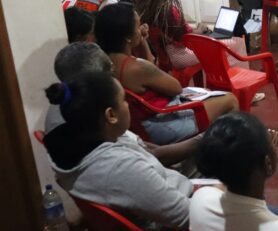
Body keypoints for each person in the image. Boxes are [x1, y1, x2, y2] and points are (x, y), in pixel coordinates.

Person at [45, 70, 192, 231]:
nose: (128, 104)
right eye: (124, 100)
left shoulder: (83, 140)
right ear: (111, 115)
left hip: (175, 194)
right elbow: (188, 217)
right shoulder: (122, 167)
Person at [43, 42, 203, 184]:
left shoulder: (63, 111)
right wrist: (201, 141)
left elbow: (146, 151)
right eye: (111, 74)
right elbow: (152, 160)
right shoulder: (95, 126)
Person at [95, 2, 238, 145]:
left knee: (205, 94)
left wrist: (142, 40)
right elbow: (175, 88)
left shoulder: (102, 63)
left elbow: (149, 72)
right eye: (137, 27)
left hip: (139, 124)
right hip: (161, 124)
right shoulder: (137, 67)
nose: (141, 29)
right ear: (127, 37)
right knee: (230, 100)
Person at [136, 0, 206, 71]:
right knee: (217, 51)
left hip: (162, 56)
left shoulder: (144, 8)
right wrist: (201, 28)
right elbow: (186, 37)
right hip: (177, 57)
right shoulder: (168, 11)